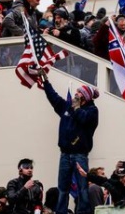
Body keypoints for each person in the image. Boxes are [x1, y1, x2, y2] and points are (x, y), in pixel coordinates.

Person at [41, 74, 99, 214]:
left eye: (79, 92)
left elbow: (84, 120)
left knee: (82, 188)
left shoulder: (92, 110)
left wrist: (77, 108)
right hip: (65, 154)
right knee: (62, 188)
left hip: (80, 155)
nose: (76, 94)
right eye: (76, 91)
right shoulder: (68, 106)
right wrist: (45, 82)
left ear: (85, 97)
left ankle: (83, 212)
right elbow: (54, 98)